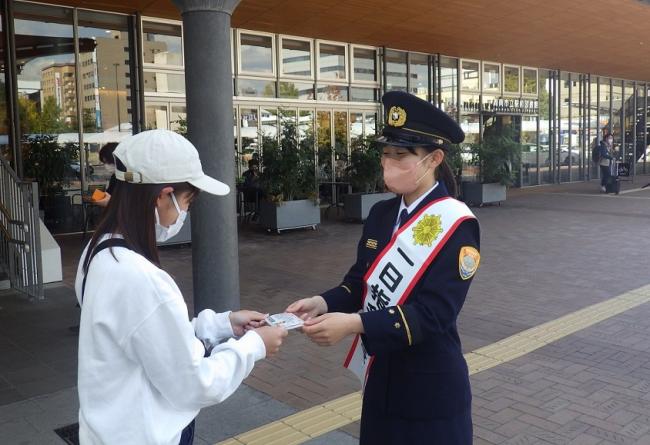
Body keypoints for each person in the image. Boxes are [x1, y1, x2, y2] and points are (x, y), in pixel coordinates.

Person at [287, 91, 480, 445]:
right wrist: (323, 303)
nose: (389, 162)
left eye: (401, 155)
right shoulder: (381, 214)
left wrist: (354, 323)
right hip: (381, 382)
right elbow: (360, 283)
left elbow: (434, 314)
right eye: (385, 154)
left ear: (434, 158)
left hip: (430, 389)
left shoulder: (456, 224)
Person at [75, 129, 287, 445]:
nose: (184, 212)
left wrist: (221, 324)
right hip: (145, 434)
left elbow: (145, 335)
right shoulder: (141, 279)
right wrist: (254, 346)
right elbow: (194, 384)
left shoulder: (99, 250)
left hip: (110, 429)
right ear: (163, 194)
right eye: (186, 201)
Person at [93, 142, 119, 207]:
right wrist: (94, 196)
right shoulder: (115, 177)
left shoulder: (130, 178)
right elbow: (109, 193)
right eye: (104, 163)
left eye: (108, 162)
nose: (106, 166)